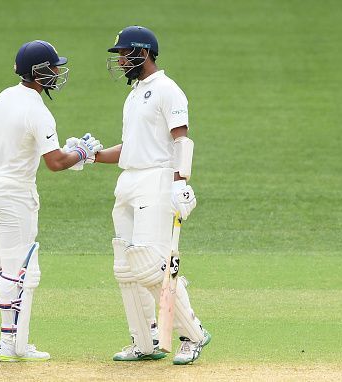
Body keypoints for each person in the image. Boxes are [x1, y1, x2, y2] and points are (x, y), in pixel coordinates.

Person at [0, 40, 103, 362]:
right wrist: (82, 152)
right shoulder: (38, 111)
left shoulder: (1, 99)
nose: (57, 72)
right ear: (40, 72)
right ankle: (9, 345)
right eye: (54, 67)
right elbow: (54, 163)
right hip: (14, 196)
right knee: (16, 271)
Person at [94, 25, 211, 365]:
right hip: (128, 182)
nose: (119, 61)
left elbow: (181, 140)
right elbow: (131, 148)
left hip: (157, 180)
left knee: (150, 264)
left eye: (123, 54)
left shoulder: (167, 90)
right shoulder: (134, 95)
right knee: (126, 268)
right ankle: (145, 341)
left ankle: (193, 334)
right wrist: (91, 155)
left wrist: (180, 182)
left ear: (143, 53)